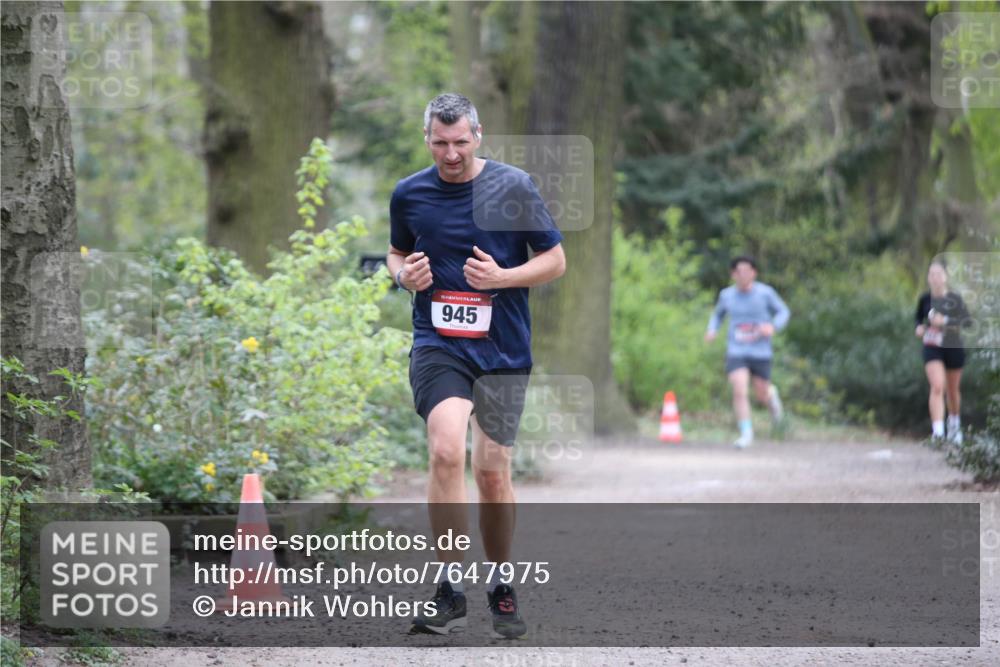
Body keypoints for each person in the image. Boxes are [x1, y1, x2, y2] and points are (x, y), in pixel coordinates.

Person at [386, 93, 566, 638]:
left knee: (491, 471)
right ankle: (449, 587)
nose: (451, 154)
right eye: (440, 143)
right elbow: (396, 253)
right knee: (445, 450)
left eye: (460, 142)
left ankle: (501, 584)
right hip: (439, 344)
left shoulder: (513, 187)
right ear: (426, 139)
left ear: (478, 136)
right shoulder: (410, 193)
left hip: (502, 349)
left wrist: (503, 278)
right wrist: (403, 276)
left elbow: (555, 259)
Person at [704, 256, 790, 448]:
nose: (743, 275)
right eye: (739, 271)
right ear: (733, 274)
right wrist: (712, 330)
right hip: (737, 350)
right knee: (739, 388)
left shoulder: (765, 293)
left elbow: (783, 312)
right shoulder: (727, 295)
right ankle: (746, 433)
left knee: (761, 394)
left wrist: (773, 326)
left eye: (746, 271)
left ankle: (772, 401)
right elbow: (717, 315)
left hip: (761, 352)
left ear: (754, 273)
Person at [914, 260, 972, 445]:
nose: (935, 278)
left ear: (945, 277)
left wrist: (945, 321)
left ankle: (954, 426)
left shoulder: (955, 299)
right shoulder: (924, 299)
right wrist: (919, 328)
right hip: (932, 347)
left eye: (938, 274)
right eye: (931, 274)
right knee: (938, 386)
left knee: (952, 391)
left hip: (953, 347)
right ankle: (938, 433)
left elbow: (967, 322)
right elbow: (918, 319)